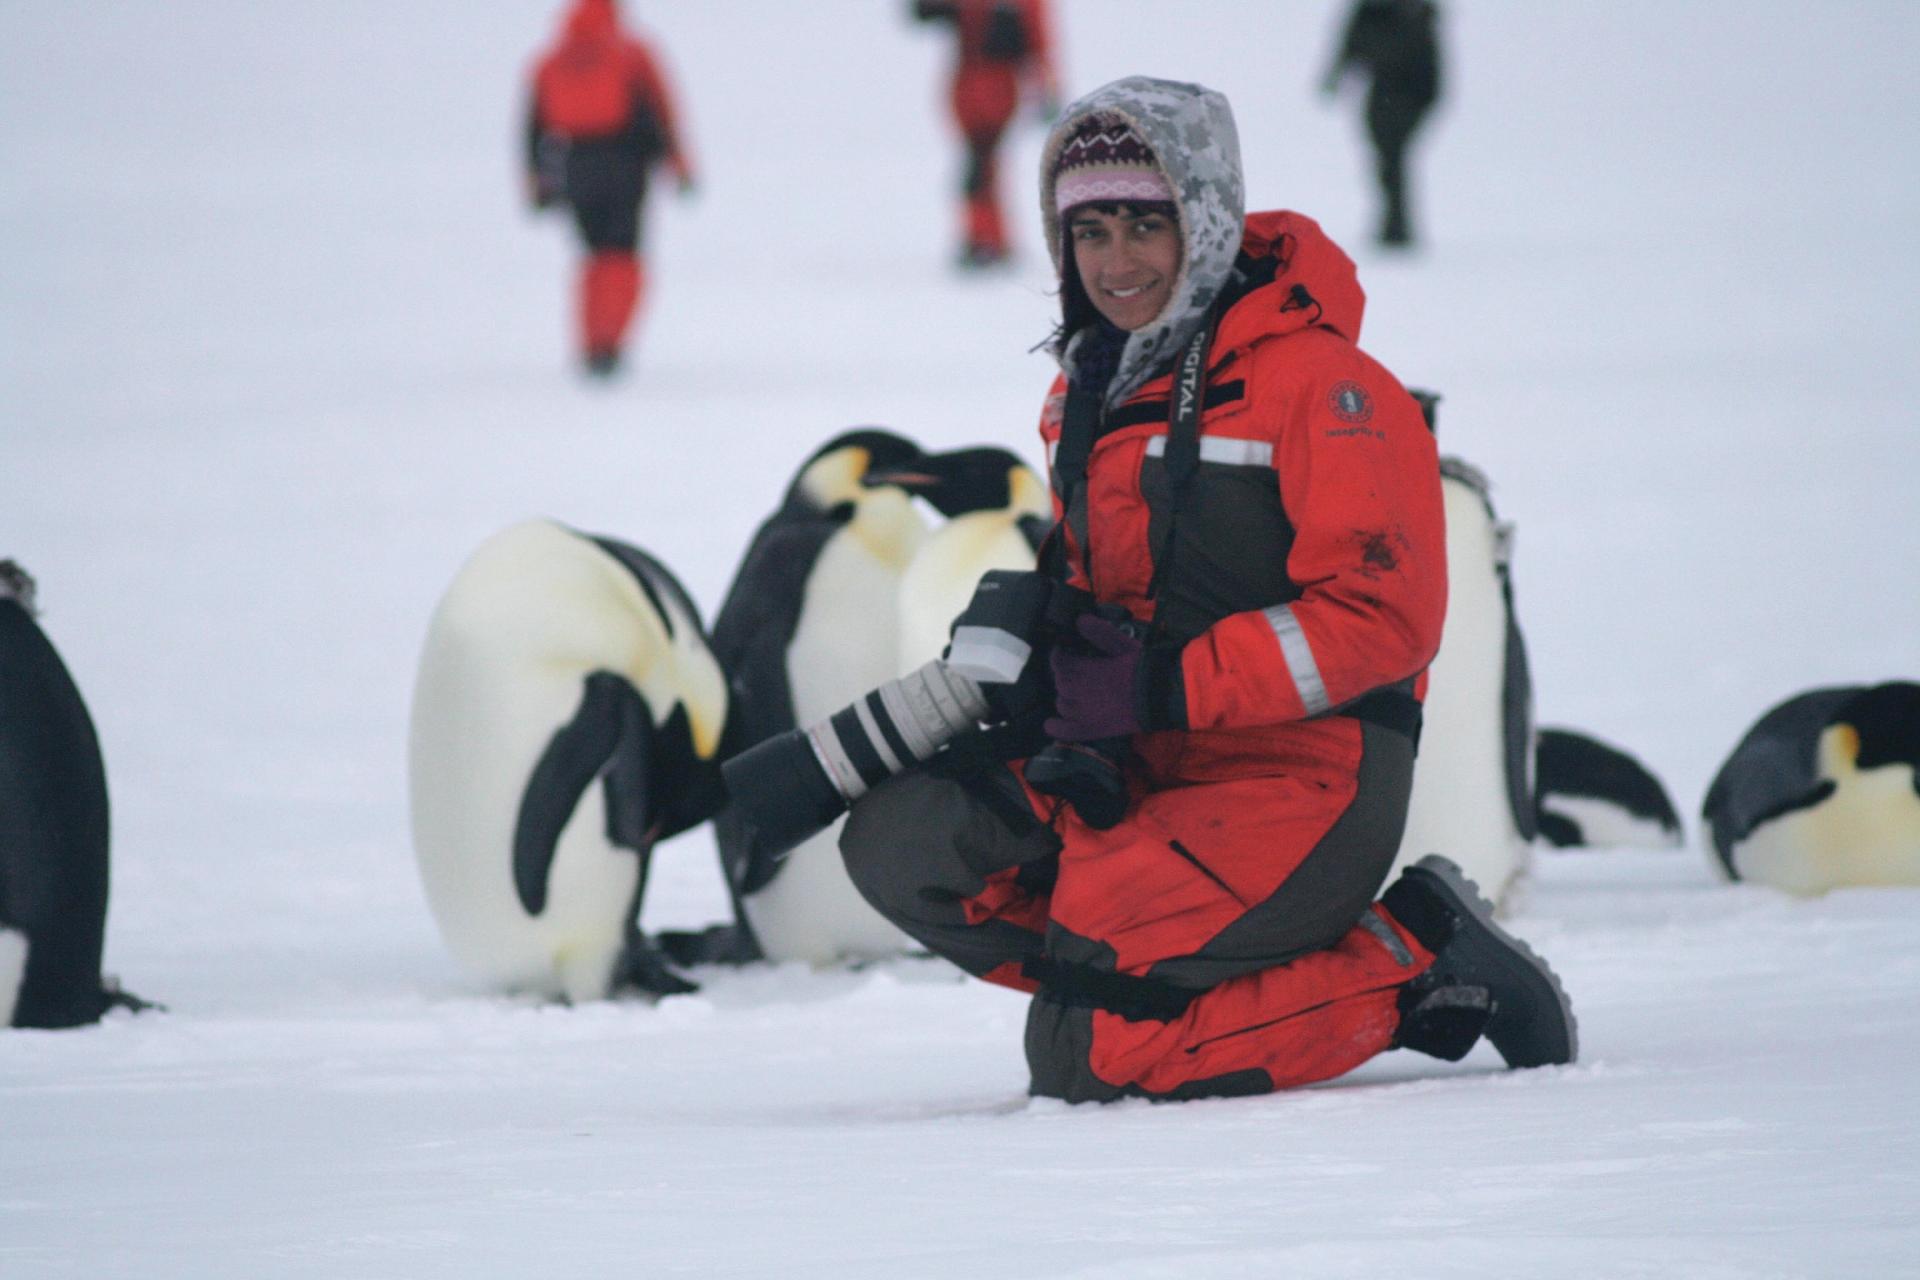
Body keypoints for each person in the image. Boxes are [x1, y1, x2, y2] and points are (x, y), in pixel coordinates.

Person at [839, 76, 1576, 1103]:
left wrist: (1161, 685)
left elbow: (1382, 620)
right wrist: (1040, 631)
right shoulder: (1087, 390)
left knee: (1094, 1056)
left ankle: (1410, 964)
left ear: (1209, 216)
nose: (1117, 260)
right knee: (899, 840)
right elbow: (1115, 595)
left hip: (1300, 781)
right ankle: (1135, 981)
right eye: (1089, 230)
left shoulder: (1326, 388)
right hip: (1144, 764)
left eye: (1148, 223)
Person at [525, 0, 695, 376]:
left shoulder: (550, 59)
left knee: (593, 257)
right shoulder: (631, 53)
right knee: (622, 257)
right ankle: (609, 341)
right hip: (624, 163)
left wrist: (537, 180)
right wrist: (678, 164)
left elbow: (532, 126)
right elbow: (661, 108)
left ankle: (591, 341)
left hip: (575, 164)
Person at [911, 1, 1060, 268]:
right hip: (968, 86)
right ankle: (985, 238)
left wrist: (1047, 86)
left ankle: (987, 240)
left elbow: (1039, 40)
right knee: (980, 164)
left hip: (994, 87)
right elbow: (924, 13)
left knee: (982, 165)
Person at [1321, 0, 1443, 248]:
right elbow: (1352, 43)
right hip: (1389, 92)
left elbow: (1424, 61)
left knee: (1392, 158)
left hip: (1407, 93)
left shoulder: (1410, 12)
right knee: (1389, 159)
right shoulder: (1376, 11)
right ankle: (1395, 225)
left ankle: (1396, 226)